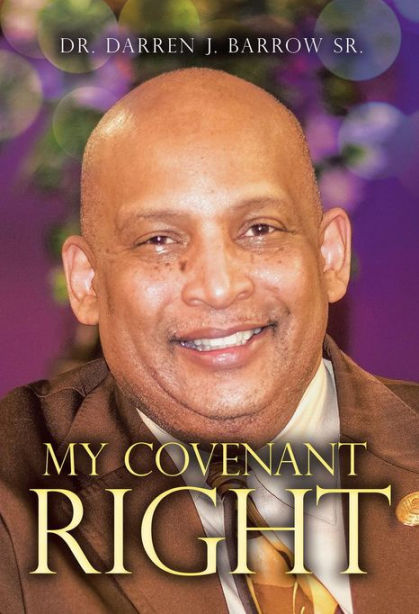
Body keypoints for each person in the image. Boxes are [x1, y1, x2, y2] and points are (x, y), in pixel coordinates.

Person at [0, 68, 417, 614]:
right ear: (87, 282)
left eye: (260, 229)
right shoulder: (15, 493)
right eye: (158, 240)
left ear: (330, 256)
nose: (218, 288)